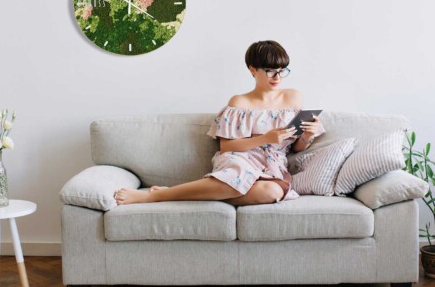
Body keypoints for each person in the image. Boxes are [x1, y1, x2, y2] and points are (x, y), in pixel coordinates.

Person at [114, 40, 326, 206]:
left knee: (271, 193)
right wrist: (265, 138)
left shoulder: (293, 98)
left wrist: (307, 136)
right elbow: (226, 146)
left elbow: (296, 146)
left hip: (273, 164)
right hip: (241, 159)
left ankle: (190, 194)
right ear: (253, 70)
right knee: (238, 177)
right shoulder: (239, 102)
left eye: (282, 70)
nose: (277, 77)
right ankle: (157, 197)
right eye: (270, 70)